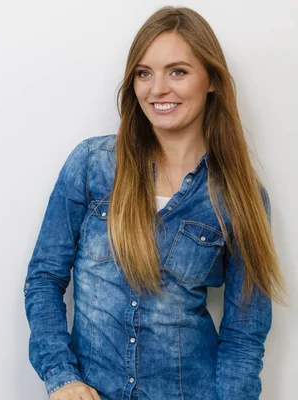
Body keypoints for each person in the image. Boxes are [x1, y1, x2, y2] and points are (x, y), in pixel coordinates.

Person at [22, 6, 287, 400]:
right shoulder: (92, 165)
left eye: (177, 71)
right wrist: (62, 377)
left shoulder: (238, 196)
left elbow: (244, 336)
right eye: (144, 73)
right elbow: (44, 279)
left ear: (211, 79)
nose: (157, 89)